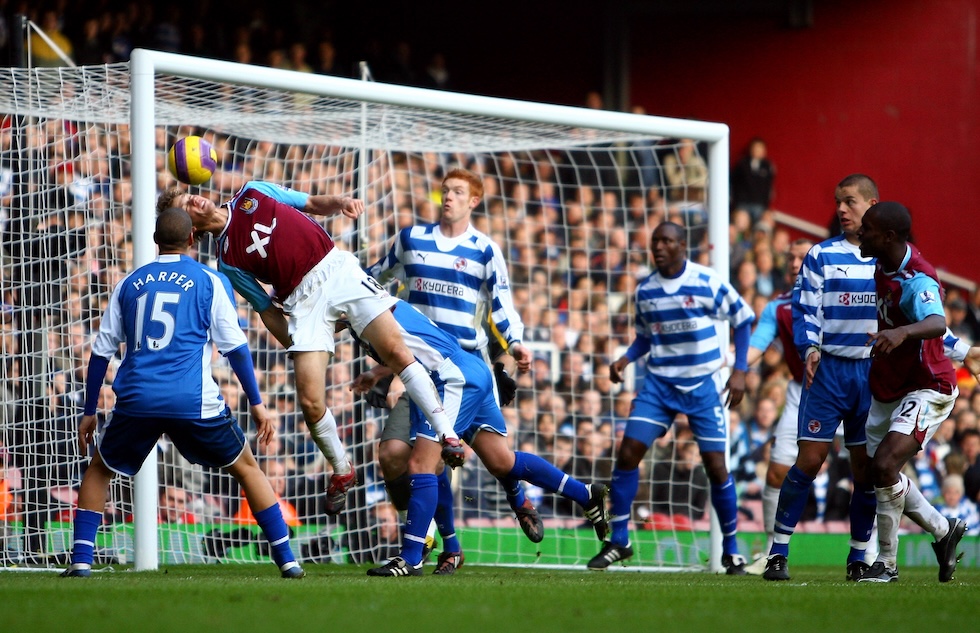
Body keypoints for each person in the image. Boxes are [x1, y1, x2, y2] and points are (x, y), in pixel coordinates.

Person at [157, 181, 464, 515]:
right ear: (190, 230)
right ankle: (342, 469)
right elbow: (266, 309)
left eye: (191, 195)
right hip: (303, 303)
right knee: (310, 400)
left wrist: (341, 201)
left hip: (337, 269)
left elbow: (309, 202)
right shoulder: (228, 262)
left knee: (398, 353)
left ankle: (447, 435)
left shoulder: (252, 192)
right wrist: (296, 344)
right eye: (186, 205)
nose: (196, 200)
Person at [61, 207, 303, 578]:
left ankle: (80, 561)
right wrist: (257, 404)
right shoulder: (209, 280)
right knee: (247, 468)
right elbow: (235, 348)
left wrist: (90, 409)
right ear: (193, 239)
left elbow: (101, 351)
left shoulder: (130, 283)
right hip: (192, 399)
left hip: (138, 398)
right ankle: (288, 560)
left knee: (98, 471)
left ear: (156, 241)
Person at [347, 300, 608, 577]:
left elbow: (501, 324)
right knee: (501, 461)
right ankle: (585, 494)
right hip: (466, 371)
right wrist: (377, 372)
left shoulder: (366, 308)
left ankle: (412, 556)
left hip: (450, 379)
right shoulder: (379, 303)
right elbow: (414, 346)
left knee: (423, 464)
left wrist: (507, 364)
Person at [365, 167, 539, 542]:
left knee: (496, 458)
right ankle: (428, 530)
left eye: (458, 192)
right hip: (419, 367)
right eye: (445, 190)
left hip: (466, 368)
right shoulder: (411, 240)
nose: (448, 197)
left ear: (473, 201)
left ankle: (517, 497)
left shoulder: (484, 249)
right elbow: (375, 277)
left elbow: (501, 305)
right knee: (399, 455)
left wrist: (516, 343)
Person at [587, 221, 755, 574]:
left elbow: (743, 318)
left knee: (716, 466)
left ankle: (732, 549)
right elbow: (647, 337)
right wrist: (625, 358)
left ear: (682, 245)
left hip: (702, 385)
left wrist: (739, 369)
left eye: (666, 241)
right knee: (628, 451)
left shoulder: (706, 281)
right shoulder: (646, 290)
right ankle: (619, 541)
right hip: (659, 385)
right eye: (655, 241)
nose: (659, 247)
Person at [762, 174, 882, 582]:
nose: (841, 210)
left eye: (849, 201)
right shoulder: (821, 255)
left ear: (872, 203)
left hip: (871, 373)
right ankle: (778, 552)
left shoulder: (890, 258)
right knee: (809, 460)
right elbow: (805, 309)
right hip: (829, 370)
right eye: (838, 202)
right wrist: (809, 348)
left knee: (865, 471)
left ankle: (859, 556)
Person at [856, 201, 966, 583]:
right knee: (880, 474)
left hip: (927, 386)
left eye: (867, 228)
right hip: (888, 385)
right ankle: (942, 530)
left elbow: (936, 322)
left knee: (885, 466)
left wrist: (900, 332)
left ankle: (885, 565)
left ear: (887, 236)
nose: (860, 232)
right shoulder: (882, 263)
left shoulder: (917, 278)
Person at [741, 238, 813, 574]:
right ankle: (774, 551)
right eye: (791, 257)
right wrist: (734, 366)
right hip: (801, 391)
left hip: (849, 389)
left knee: (870, 472)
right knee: (776, 470)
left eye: (802, 257)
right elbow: (756, 345)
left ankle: (871, 554)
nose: (795, 263)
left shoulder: (835, 301)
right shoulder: (778, 306)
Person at [731, 137, 775, 223]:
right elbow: (734, 184)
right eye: (755, 148)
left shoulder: (768, 166)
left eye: (760, 149)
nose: (757, 151)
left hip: (759, 205)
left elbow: (768, 187)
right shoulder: (742, 164)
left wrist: (766, 207)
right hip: (742, 203)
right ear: (751, 149)